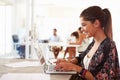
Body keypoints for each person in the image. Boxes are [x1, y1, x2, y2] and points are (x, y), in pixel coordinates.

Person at [54, 6, 120, 80]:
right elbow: (81, 57)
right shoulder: (93, 43)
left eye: (84, 25)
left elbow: (100, 77)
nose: (81, 29)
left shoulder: (109, 45)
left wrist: (73, 67)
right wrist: (69, 62)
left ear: (96, 23)